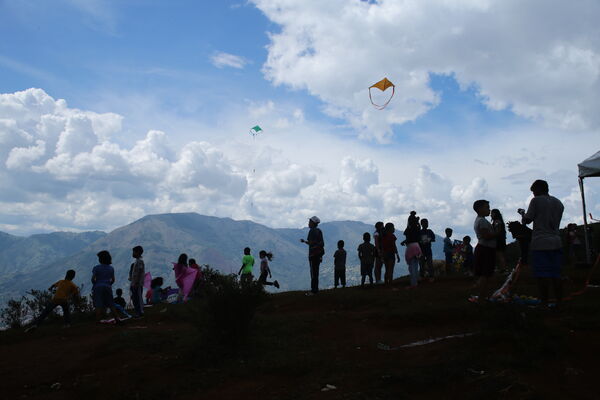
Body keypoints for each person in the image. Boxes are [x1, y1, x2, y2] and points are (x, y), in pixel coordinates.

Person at [518, 179, 565, 307]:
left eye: (533, 191)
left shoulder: (536, 201)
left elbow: (527, 220)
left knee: (542, 274)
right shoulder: (559, 203)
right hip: (556, 241)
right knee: (556, 274)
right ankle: (559, 302)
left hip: (540, 242)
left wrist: (522, 213)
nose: (533, 194)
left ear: (538, 189)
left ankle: (544, 302)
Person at [472, 200, 497, 303]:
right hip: (486, 249)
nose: (489, 209)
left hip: (484, 248)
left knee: (485, 274)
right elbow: (486, 236)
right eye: (487, 207)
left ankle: (481, 296)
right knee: (485, 274)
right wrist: (497, 232)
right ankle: (481, 298)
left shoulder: (480, 220)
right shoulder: (482, 221)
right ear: (480, 209)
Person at [92, 250, 122, 323]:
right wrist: (109, 284)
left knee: (98, 304)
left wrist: (95, 284)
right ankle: (117, 318)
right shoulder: (111, 268)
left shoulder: (96, 267)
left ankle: (97, 320)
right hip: (107, 286)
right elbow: (113, 279)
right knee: (111, 303)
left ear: (100, 259)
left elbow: (93, 279)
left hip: (98, 287)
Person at [301, 216, 324, 295]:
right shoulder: (319, 231)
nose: (308, 223)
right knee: (316, 272)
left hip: (313, 255)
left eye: (310, 222)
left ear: (313, 223)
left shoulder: (312, 231)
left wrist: (305, 242)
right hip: (318, 255)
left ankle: (314, 290)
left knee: (313, 273)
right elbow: (321, 244)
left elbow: (311, 243)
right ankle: (315, 289)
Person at [404, 217, 422, 288]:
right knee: (415, 265)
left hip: (410, 247)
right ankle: (416, 281)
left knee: (412, 266)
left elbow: (406, 235)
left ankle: (413, 283)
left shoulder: (408, 229)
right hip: (417, 246)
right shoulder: (418, 228)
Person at [128, 245, 145, 318]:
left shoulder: (140, 262)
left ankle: (140, 312)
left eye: (134, 252)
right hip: (134, 283)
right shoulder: (136, 262)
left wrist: (137, 282)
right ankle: (137, 312)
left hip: (137, 284)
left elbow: (139, 272)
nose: (133, 253)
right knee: (134, 298)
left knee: (138, 298)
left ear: (138, 252)